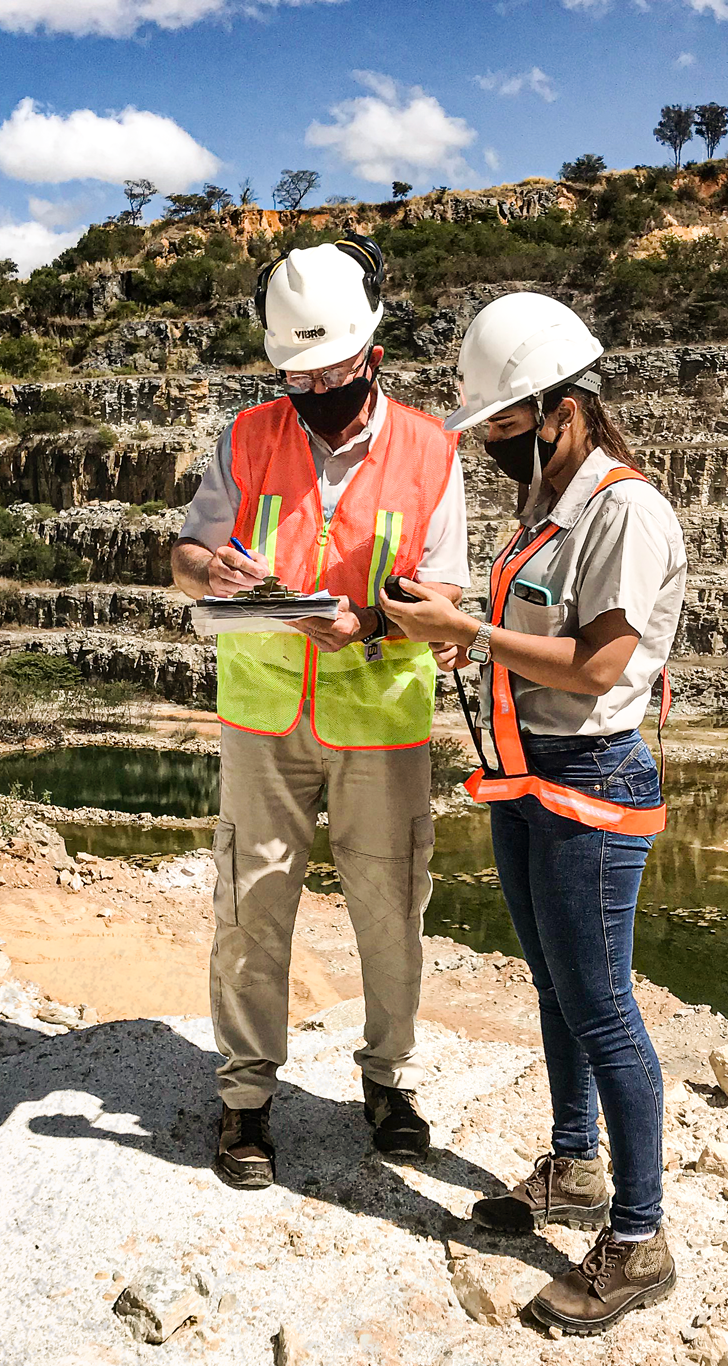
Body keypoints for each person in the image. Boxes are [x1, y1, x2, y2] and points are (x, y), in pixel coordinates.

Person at [382, 292, 687, 1336]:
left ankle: (640, 1241)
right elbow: (533, 638)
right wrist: (464, 636)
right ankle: (575, 1167)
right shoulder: (548, 504)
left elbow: (601, 662)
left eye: (507, 426)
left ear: (564, 407)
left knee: (603, 1007)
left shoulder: (624, 510)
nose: (497, 445)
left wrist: (465, 623)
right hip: (531, 773)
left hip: (592, 781)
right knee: (556, 985)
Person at [171, 235, 469, 1190]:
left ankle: (387, 1081)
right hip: (263, 717)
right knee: (253, 907)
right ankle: (247, 1099)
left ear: (373, 350)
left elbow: (451, 598)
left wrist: (375, 620)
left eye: (334, 370)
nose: (317, 390)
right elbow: (188, 557)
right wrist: (211, 568)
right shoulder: (246, 437)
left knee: (391, 910)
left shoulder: (433, 450)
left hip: (380, 716)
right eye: (299, 376)